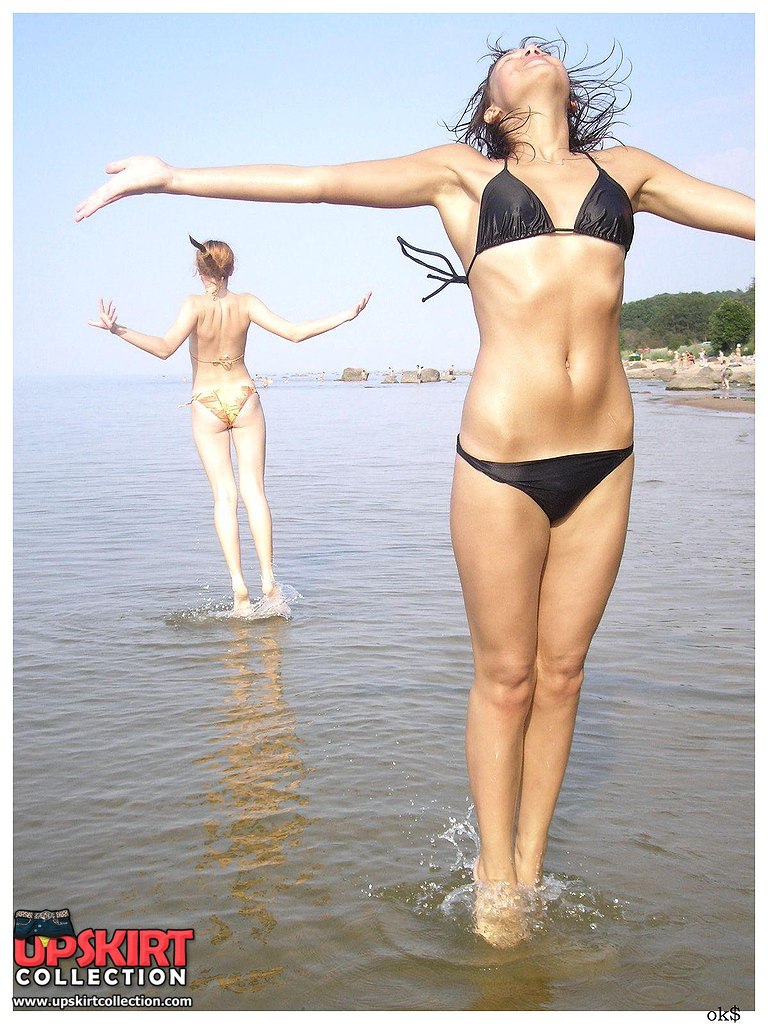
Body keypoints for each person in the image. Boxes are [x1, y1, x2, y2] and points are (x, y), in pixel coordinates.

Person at [76, 38, 753, 944]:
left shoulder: (626, 172)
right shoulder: (462, 176)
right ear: (492, 107)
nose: (529, 48)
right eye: (508, 54)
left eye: (538, 45)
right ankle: (492, 872)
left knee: (562, 675)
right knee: (506, 678)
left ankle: (530, 868)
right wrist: (172, 178)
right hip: (501, 460)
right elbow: (317, 183)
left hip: (606, 457)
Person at [88, 236, 370, 615]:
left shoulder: (192, 306)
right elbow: (295, 333)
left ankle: (239, 587)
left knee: (225, 496)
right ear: (231, 269)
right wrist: (346, 315)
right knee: (255, 492)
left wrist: (117, 329)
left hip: (206, 402)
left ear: (199, 269)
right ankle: (268, 581)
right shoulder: (246, 303)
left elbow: (164, 348)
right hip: (244, 396)